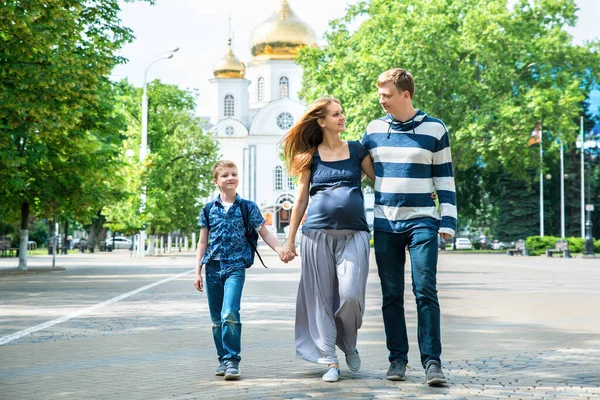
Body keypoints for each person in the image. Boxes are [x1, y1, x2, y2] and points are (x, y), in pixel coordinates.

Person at [361, 68, 457, 386]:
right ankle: (397, 360)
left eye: (387, 94)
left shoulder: (434, 128)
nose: (381, 99)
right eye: (380, 94)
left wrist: (448, 221)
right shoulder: (373, 130)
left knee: (425, 290)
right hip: (385, 223)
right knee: (391, 295)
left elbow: (444, 177)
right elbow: (360, 169)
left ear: (406, 95)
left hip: (423, 221)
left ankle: (432, 363)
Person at [280, 97, 376, 383]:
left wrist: (419, 194)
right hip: (315, 235)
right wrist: (290, 240)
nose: (342, 117)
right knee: (320, 299)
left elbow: (382, 183)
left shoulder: (358, 150)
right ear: (321, 122)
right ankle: (330, 360)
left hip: (355, 233)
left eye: (342, 112)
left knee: (350, 296)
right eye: (336, 114)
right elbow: (299, 201)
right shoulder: (310, 155)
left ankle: (348, 343)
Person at [194, 160, 285, 381]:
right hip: (213, 268)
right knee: (217, 319)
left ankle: (233, 360)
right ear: (216, 181)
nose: (230, 178)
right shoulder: (208, 209)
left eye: (234, 174)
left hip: (235, 267)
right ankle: (222, 359)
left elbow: (264, 233)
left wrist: (280, 250)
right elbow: (202, 242)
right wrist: (197, 271)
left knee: (230, 313)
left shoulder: (248, 207)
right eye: (225, 175)